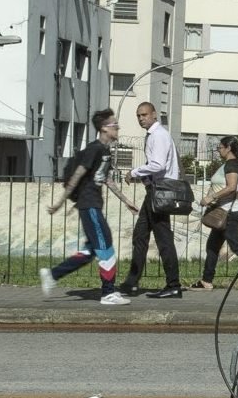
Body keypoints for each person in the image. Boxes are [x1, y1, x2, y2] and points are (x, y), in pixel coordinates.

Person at [39, 110, 131, 306]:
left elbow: (105, 178)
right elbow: (77, 175)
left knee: (90, 252)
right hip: (89, 205)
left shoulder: (105, 151)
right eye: (115, 125)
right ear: (104, 128)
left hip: (93, 204)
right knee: (106, 246)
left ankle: (52, 274)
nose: (118, 128)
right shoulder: (93, 149)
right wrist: (59, 203)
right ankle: (108, 293)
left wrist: (126, 200)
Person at [120, 101, 185, 298]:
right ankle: (132, 282)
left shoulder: (159, 135)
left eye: (145, 115)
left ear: (154, 114)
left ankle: (173, 284)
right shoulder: (154, 136)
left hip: (161, 192)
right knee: (140, 235)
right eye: (138, 116)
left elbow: (157, 165)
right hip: (155, 191)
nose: (141, 118)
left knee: (163, 239)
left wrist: (134, 172)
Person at [193, 135, 238, 289]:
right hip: (228, 211)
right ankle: (206, 280)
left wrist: (211, 197)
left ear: (228, 148)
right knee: (212, 246)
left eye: (220, 147)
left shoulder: (231, 164)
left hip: (226, 213)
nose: (218, 150)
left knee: (237, 246)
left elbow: (232, 187)